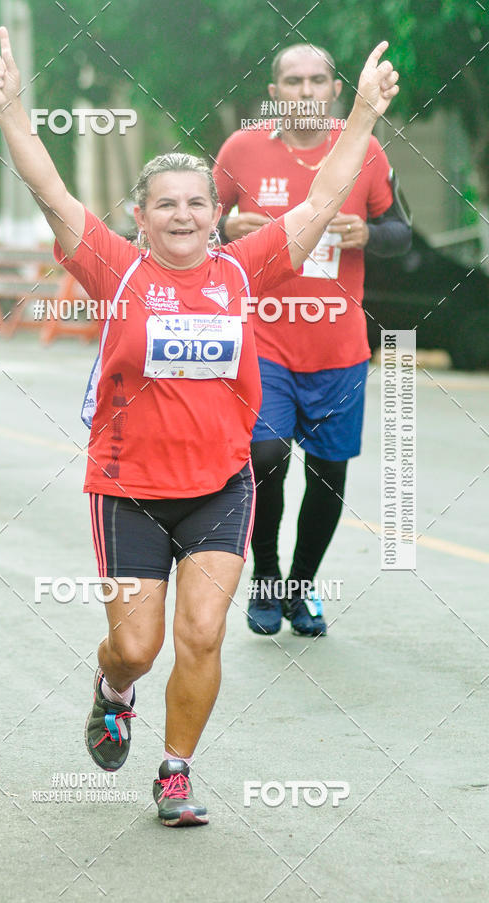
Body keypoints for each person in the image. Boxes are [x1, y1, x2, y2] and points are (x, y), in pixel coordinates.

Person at [0, 28, 399, 826]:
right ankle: (113, 690)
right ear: (140, 216)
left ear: (217, 214)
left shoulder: (245, 268)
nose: (181, 214)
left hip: (219, 486)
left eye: (196, 202)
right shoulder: (114, 265)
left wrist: (366, 114)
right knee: (137, 645)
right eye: (164, 203)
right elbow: (49, 191)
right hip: (129, 488)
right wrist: (10, 111)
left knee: (202, 633)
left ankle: (175, 769)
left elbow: (318, 201)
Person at [213, 43, 411, 639]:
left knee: (327, 474)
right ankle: (267, 579)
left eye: (317, 80)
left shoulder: (365, 152)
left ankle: (301, 590)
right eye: (293, 81)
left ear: (333, 90)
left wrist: (367, 234)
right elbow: (192, 223)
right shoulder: (241, 152)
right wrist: (226, 228)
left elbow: (402, 234)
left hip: (339, 348)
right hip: (263, 341)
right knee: (266, 457)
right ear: (274, 94)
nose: (305, 91)